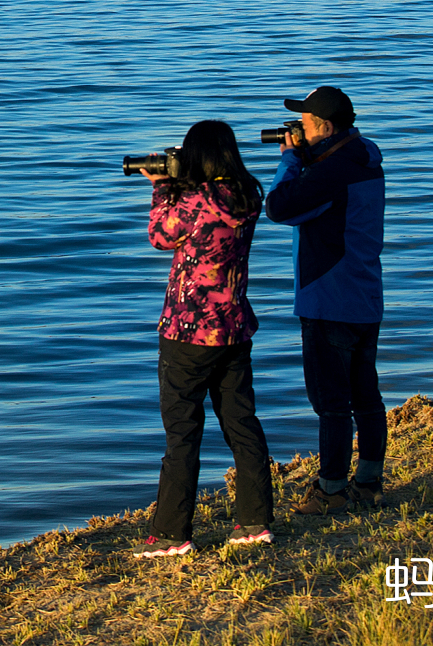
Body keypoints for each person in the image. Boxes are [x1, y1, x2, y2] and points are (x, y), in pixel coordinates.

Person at [132, 120, 277, 557]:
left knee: (182, 433)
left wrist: (162, 188)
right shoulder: (248, 195)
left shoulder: (194, 201)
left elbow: (159, 236)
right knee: (242, 424)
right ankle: (254, 522)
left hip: (188, 332)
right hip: (233, 328)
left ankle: (173, 534)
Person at [266, 85, 388, 514]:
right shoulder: (364, 158)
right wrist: (308, 157)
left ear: (326, 126)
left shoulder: (331, 173)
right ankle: (369, 482)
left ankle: (331, 491)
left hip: (328, 297)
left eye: (304, 125)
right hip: (365, 292)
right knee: (366, 395)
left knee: (332, 403)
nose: (298, 131)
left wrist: (289, 159)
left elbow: (279, 207)